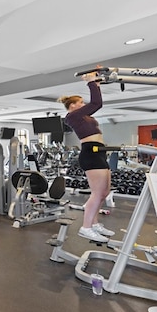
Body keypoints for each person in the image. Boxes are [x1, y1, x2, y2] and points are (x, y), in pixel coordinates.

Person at [58, 71, 115, 243]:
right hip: (90, 152)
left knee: (104, 192)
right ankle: (86, 227)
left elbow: (95, 103)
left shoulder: (83, 117)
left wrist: (97, 84)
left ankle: (95, 223)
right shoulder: (72, 116)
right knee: (97, 194)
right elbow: (97, 102)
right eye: (81, 102)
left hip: (100, 151)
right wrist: (91, 82)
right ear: (73, 106)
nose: (83, 105)